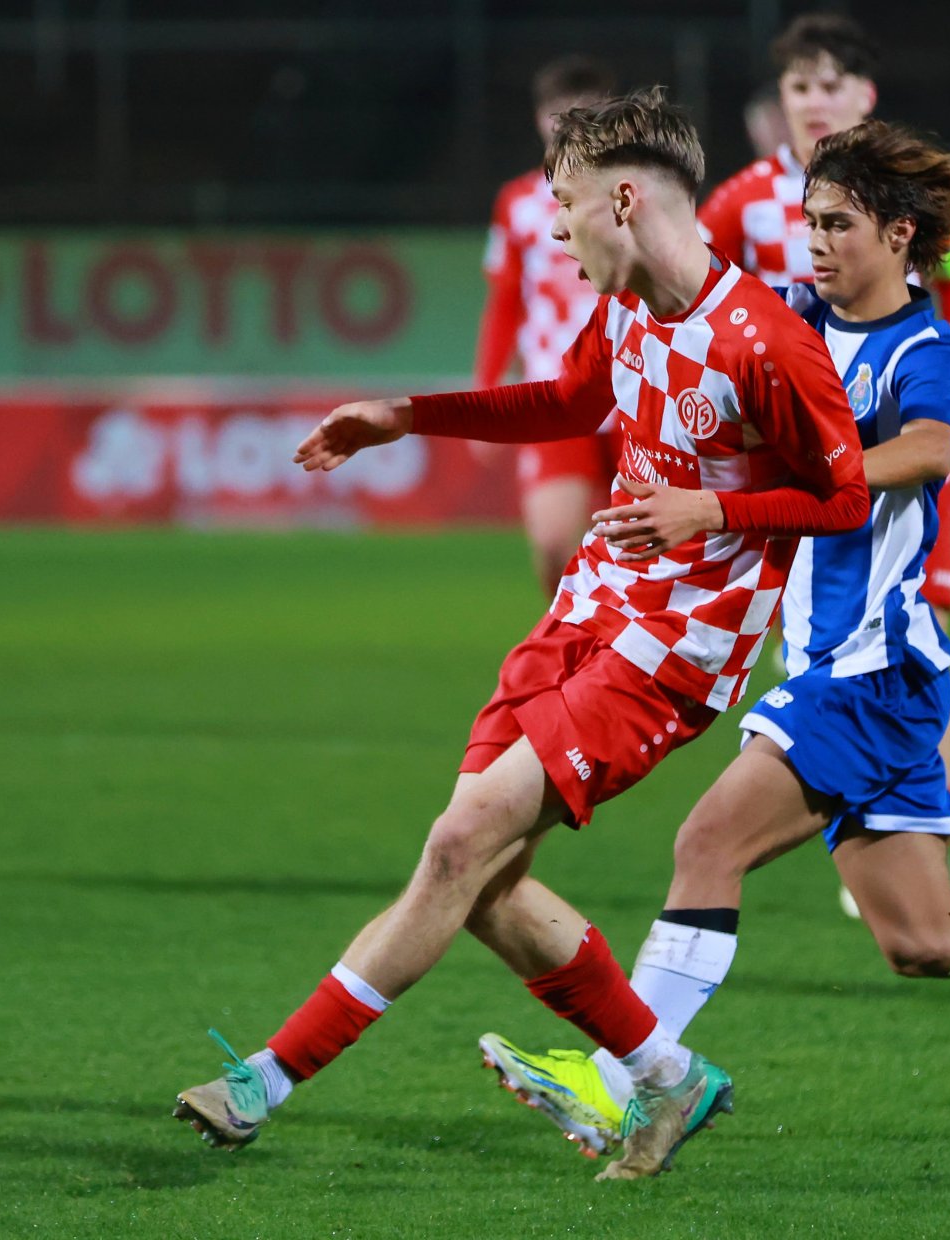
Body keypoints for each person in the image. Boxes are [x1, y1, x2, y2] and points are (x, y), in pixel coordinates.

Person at [477, 121, 950, 1158]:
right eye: (807, 222)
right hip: (848, 675)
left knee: (707, 842)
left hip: (871, 675)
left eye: (837, 225)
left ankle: (626, 1084)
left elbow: (926, 450)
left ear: (900, 234)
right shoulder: (782, 318)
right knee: (924, 940)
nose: (814, 243)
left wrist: (745, 503)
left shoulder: (928, 354)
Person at [173, 88, 870, 1181]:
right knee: (485, 885)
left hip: (675, 650)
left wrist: (717, 510)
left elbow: (847, 497)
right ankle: (666, 1075)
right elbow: (568, 400)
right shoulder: (633, 304)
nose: (553, 228)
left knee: (459, 845)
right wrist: (403, 414)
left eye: (565, 203)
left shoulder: (767, 342)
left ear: (625, 199)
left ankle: (263, 1082)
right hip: (583, 613)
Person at [700, 14, 950, 905]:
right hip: (804, 478)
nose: (813, 101)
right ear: (777, 103)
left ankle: (918, 803)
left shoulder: (896, 220)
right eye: (798, 86)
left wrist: (933, 368)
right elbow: (709, 299)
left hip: (879, 453)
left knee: (915, 627)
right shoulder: (746, 200)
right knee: (928, 941)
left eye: (830, 86)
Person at [476, 56, 620, 594]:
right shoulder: (517, 204)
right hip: (555, 391)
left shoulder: (633, 193)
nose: (568, 123)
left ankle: (623, 662)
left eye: (582, 112)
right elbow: (504, 301)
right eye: (557, 113)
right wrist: (486, 388)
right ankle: (580, 646)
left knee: (646, 550)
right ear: (540, 119)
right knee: (556, 543)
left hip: (634, 387)